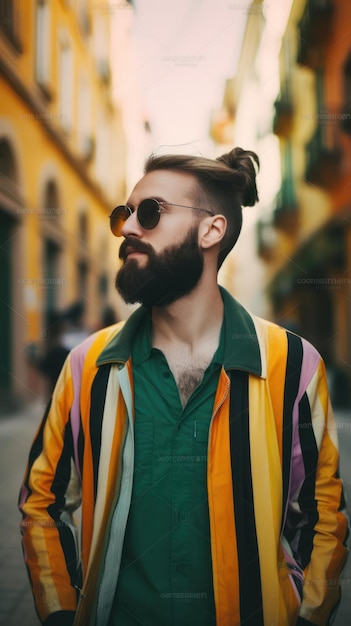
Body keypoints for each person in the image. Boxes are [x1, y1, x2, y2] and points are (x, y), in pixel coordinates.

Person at [18, 147, 349, 626]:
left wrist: (308, 615)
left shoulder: (293, 364)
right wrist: (60, 612)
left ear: (212, 230)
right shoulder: (86, 366)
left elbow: (322, 515)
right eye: (124, 214)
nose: (128, 228)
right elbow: (41, 501)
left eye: (150, 213)